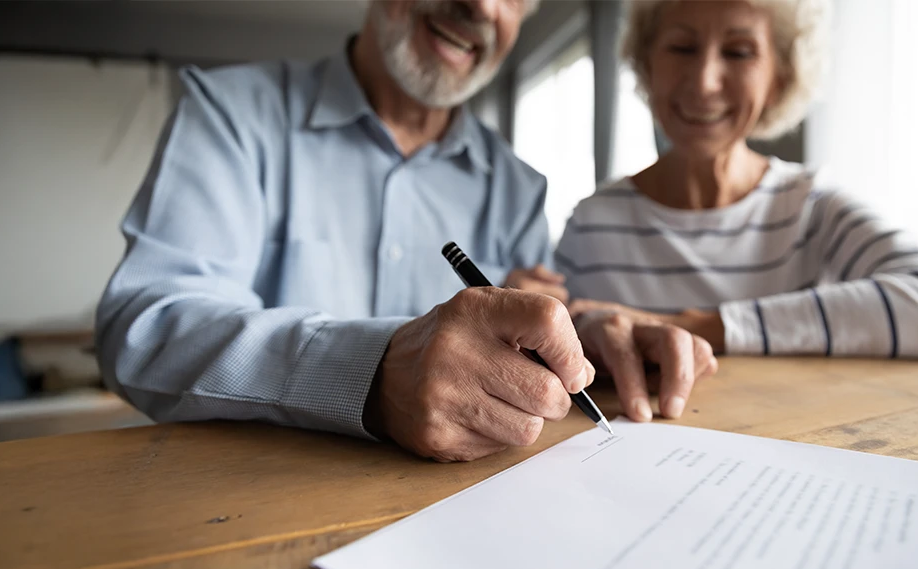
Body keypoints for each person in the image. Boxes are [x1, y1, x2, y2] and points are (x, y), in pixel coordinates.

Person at [96, 0, 718, 463]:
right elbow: (147, 328)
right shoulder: (229, 116)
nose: (481, 5)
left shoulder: (518, 187)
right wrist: (370, 372)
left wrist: (582, 340)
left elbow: (527, 339)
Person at [557, 0, 918, 418]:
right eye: (682, 48)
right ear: (647, 64)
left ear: (779, 79)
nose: (704, 82)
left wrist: (700, 326)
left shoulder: (812, 206)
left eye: (739, 52)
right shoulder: (590, 222)